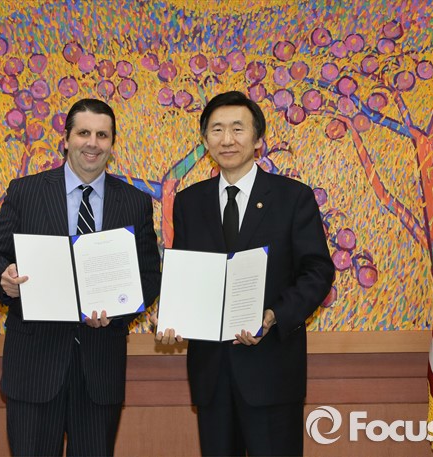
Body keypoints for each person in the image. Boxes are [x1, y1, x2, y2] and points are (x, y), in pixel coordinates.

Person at [0, 98, 161, 456]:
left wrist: (117, 312)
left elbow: (149, 276)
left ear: (112, 144)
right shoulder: (26, 192)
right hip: (34, 366)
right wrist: (4, 277)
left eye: (102, 135)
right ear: (66, 139)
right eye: (83, 133)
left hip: (100, 368)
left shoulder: (135, 203)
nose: (93, 143)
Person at [155, 91, 335, 456]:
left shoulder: (292, 197)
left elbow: (317, 272)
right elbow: (187, 272)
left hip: (272, 371)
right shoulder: (189, 202)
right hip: (211, 374)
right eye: (217, 130)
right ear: (205, 140)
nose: (227, 139)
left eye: (238, 129)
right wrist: (173, 314)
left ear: (257, 140)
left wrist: (274, 315)